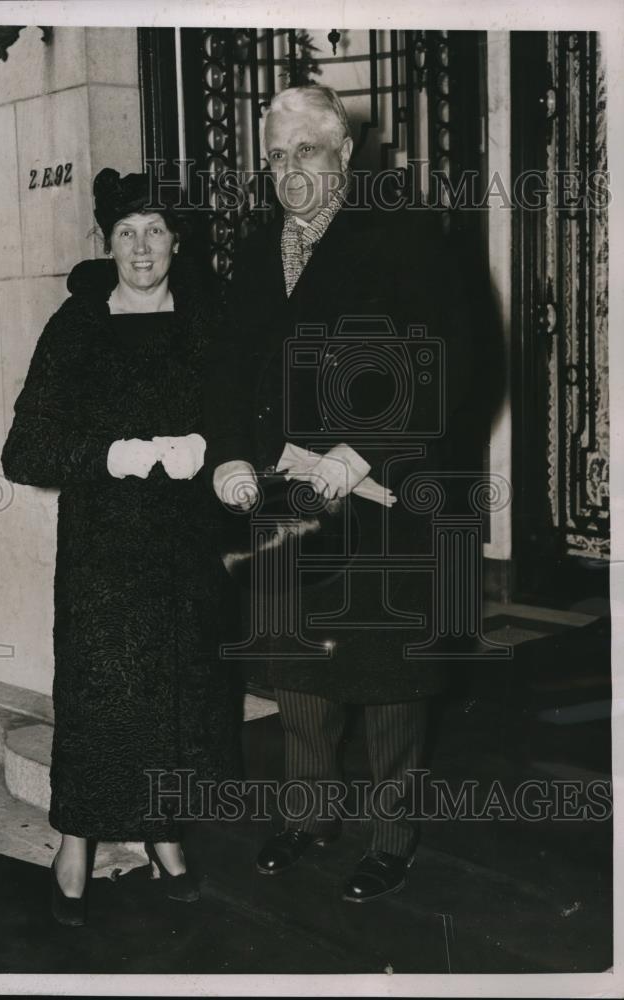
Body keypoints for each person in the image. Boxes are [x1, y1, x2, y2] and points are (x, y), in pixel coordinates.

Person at [206, 85, 498, 902]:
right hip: (287, 496)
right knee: (297, 667)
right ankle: (310, 816)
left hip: (382, 493)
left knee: (389, 675)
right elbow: (227, 370)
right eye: (275, 155)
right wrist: (228, 457)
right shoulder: (257, 250)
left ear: (344, 152)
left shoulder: (406, 234)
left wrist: (362, 448)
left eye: (305, 150)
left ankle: (392, 837)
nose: (289, 169)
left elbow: (448, 359)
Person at [1, 168, 239, 926]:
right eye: (127, 233)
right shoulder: (78, 323)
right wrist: (113, 455)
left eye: (156, 231)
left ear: (177, 241)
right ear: (107, 242)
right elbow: (24, 450)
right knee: (99, 697)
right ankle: (75, 841)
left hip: (184, 549)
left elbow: (245, 416)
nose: (142, 247)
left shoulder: (209, 318)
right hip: (103, 551)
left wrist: (214, 449)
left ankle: (164, 832)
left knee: (179, 696)